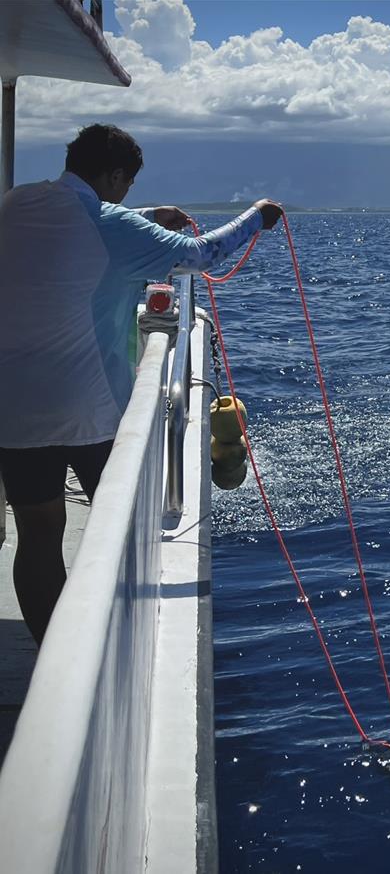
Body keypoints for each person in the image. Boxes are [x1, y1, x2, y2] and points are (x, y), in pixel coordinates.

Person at [0, 123, 282, 645]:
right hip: (88, 408)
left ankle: (53, 649)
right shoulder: (111, 223)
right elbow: (200, 256)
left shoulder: (19, 203)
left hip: (13, 407)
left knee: (38, 535)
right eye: (125, 185)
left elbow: (86, 223)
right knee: (124, 530)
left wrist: (147, 216)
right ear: (113, 175)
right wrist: (256, 217)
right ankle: (112, 644)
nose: (125, 194)